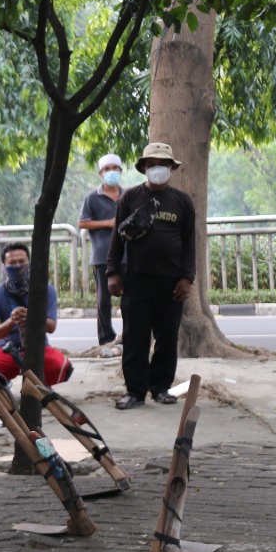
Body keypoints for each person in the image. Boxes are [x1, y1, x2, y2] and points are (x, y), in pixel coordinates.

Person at [106, 142, 196, 410]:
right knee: (135, 337)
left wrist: (187, 278)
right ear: (144, 167)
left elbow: (190, 242)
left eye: (164, 164)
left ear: (172, 168)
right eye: (153, 164)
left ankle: (161, 388)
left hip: (171, 282)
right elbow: (116, 239)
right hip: (136, 278)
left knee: (167, 337)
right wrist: (112, 272)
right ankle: (135, 391)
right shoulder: (129, 198)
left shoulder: (182, 201)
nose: (158, 168)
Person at [0, 242, 73, 385]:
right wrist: (12, 320)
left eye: (21, 262)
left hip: (38, 349)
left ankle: (40, 384)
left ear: (29, 263)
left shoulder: (45, 290)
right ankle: (3, 381)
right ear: (4, 267)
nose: (17, 266)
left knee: (60, 365)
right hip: (4, 350)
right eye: (12, 262)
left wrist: (33, 317)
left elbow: (51, 327)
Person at [79, 153, 124, 350]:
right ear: (100, 173)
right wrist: (108, 223)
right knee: (103, 301)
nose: (111, 172)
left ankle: (130, 336)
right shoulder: (92, 197)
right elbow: (82, 222)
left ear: (120, 171)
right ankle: (106, 338)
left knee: (130, 298)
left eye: (115, 168)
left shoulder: (128, 195)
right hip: (102, 255)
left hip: (128, 255)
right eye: (107, 169)